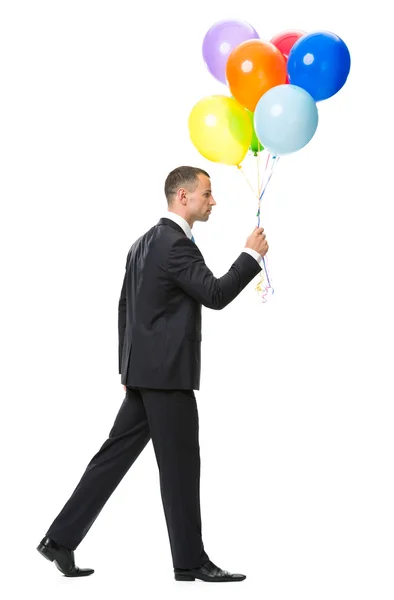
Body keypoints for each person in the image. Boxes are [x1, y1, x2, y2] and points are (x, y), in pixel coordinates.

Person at [37, 166, 269, 583]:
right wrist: (251, 255)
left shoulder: (142, 243)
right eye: (207, 194)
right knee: (181, 468)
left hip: (144, 374)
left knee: (111, 459)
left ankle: (59, 541)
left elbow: (124, 306)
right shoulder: (177, 245)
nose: (213, 201)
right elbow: (215, 295)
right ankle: (191, 561)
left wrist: (126, 367)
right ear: (183, 197)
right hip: (167, 377)